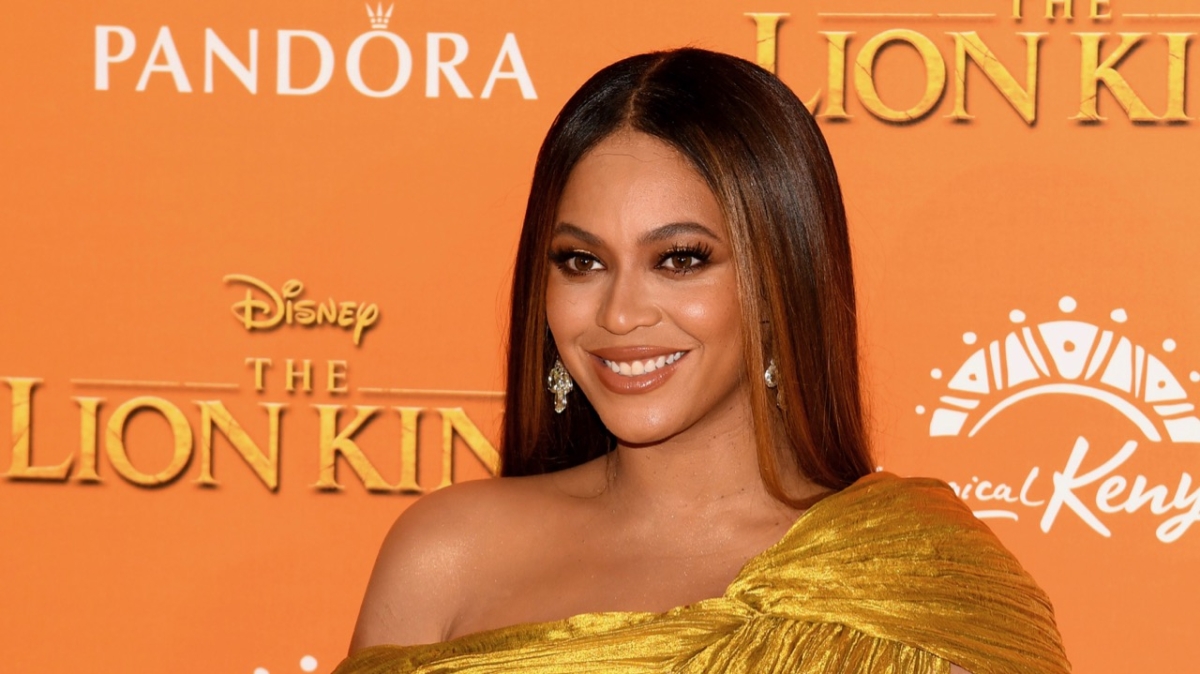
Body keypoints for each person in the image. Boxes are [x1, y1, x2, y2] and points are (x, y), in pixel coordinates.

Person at [334, 48, 1070, 673]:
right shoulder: (446, 553)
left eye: (681, 259)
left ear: (782, 278)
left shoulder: (914, 589)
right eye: (581, 261)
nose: (620, 314)